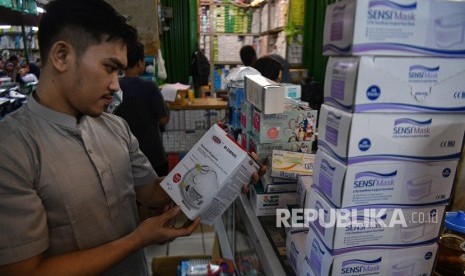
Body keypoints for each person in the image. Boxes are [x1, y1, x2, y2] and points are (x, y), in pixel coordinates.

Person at [0, 1, 204, 275]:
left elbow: (153, 193)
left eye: (119, 71)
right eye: (109, 68)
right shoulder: (12, 149)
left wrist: (220, 162)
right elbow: (26, 271)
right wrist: (138, 239)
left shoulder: (115, 126)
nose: (116, 85)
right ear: (61, 56)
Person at [115, 41, 170, 177]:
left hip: (124, 157)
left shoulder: (114, 87)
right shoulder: (149, 86)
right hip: (152, 156)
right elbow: (164, 119)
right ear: (140, 63)